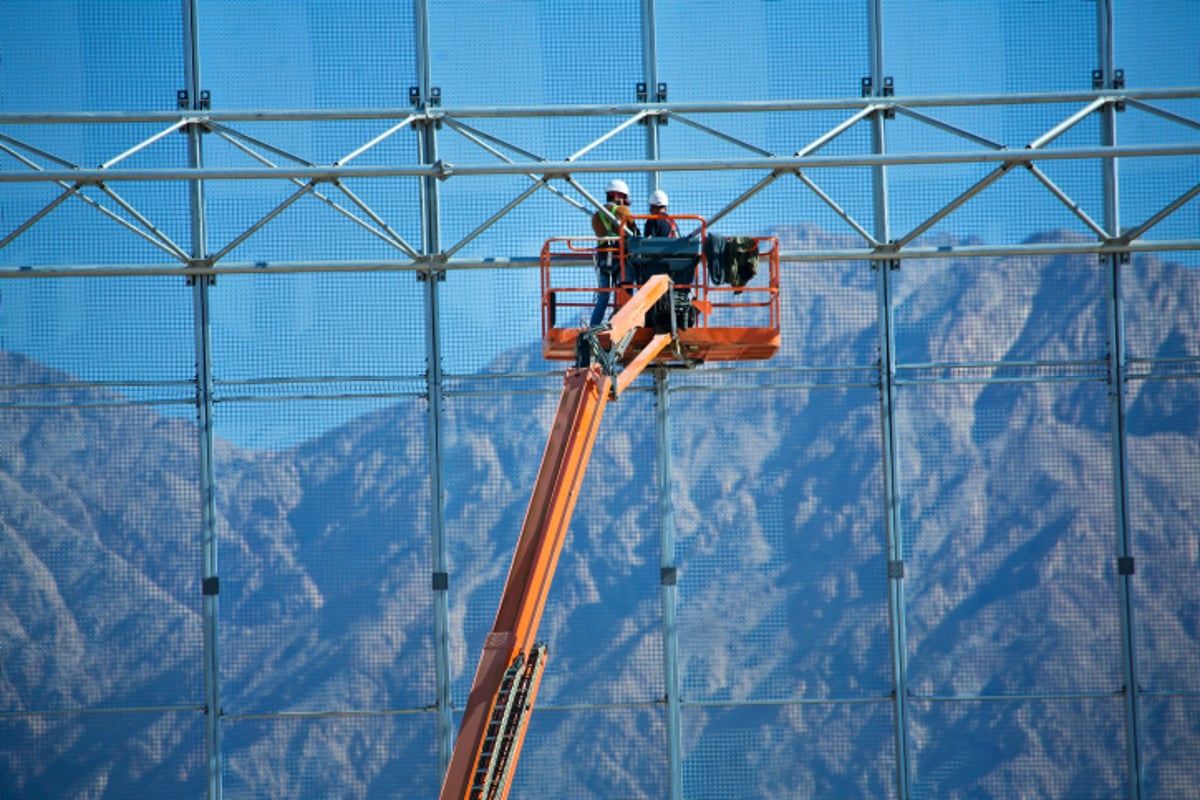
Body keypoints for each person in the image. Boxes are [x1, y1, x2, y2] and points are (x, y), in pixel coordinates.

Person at [589, 179, 639, 326]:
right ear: (618, 196)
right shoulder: (622, 211)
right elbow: (634, 231)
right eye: (624, 198)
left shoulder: (596, 216)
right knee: (626, 290)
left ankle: (594, 327)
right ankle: (624, 323)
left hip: (604, 259)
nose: (625, 202)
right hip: (620, 258)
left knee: (603, 296)